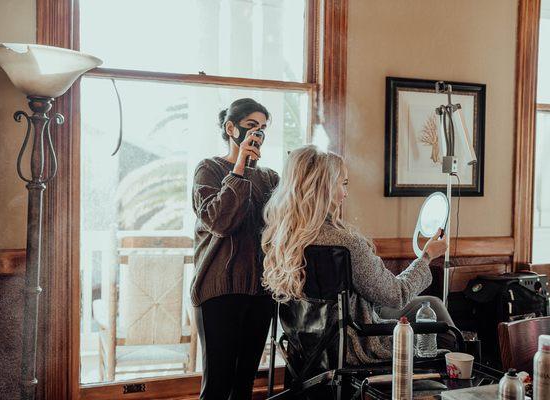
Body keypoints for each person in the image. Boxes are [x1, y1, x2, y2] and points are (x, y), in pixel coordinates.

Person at [261, 145, 453, 365]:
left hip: (309, 349)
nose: (346, 193)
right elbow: (397, 294)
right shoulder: (346, 243)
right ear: (324, 187)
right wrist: (427, 256)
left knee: (430, 303)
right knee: (448, 335)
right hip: (355, 344)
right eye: (343, 184)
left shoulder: (282, 237)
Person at [191, 98, 279, 399]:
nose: (257, 134)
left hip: (260, 292)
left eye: (263, 128)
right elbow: (219, 221)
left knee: (243, 387)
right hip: (219, 291)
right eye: (251, 126)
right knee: (217, 386)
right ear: (231, 128)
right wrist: (240, 167)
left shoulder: (269, 178)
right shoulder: (209, 169)